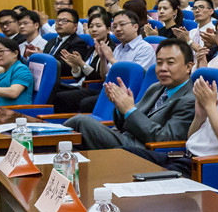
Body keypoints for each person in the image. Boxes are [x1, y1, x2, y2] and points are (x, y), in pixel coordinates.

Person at [126, 28, 218, 176]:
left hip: (207, 168)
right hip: (184, 157)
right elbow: (191, 137)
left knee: (137, 177)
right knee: (125, 154)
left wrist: (210, 107)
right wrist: (199, 116)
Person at [67, 39, 195, 150]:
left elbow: (165, 139)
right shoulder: (156, 88)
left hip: (143, 151)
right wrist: (121, 107)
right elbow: (126, 122)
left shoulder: (190, 99)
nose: (163, 68)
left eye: (170, 63)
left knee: (81, 122)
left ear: (188, 67)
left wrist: (129, 109)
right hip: (124, 139)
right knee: (74, 143)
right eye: (159, 63)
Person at [52, 12, 117, 113]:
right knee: (52, 88)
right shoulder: (91, 49)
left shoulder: (111, 50)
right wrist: (75, 67)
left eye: (98, 26)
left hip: (95, 88)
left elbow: (98, 77)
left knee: (60, 96)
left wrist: (82, 64)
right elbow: (80, 76)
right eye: (91, 26)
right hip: (80, 85)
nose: (94, 29)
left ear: (108, 29)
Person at [40, 8, 89, 77]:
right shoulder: (51, 41)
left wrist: (45, 59)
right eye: (58, 20)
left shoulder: (78, 43)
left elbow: (67, 68)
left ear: (75, 26)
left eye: (64, 21)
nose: (59, 23)